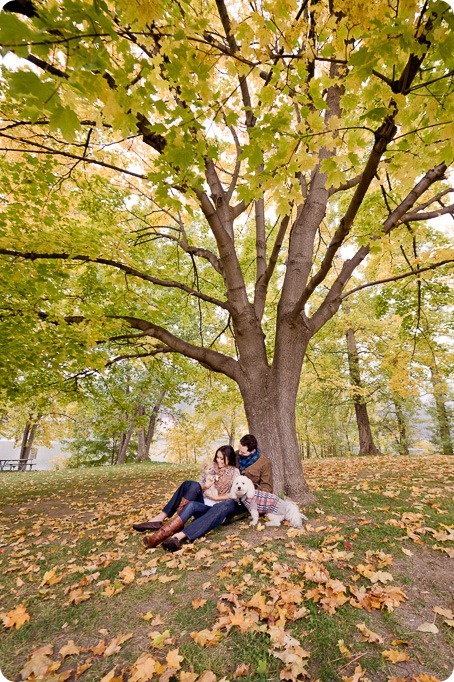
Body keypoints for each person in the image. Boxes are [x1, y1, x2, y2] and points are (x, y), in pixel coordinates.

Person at [160, 433, 273, 552]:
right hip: (222, 496)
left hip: (242, 501)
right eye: (239, 450)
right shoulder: (235, 454)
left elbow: (268, 489)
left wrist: (247, 489)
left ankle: (178, 537)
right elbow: (219, 462)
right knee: (192, 494)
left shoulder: (264, 463)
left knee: (222, 506)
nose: (239, 454)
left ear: (253, 451)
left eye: (243, 452)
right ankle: (164, 526)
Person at [134, 445, 240, 548]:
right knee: (190, 484)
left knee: (192, 505)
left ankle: (159, 536)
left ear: (229, 458)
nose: (219, 460)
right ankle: (160, 518)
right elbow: (198, 487)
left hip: (214, 507)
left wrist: (216, 498)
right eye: (217, 457)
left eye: (222, 458)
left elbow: (235, 494)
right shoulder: (211, 467)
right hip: (203, 500)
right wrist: (206, 486)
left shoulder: (234, 472)